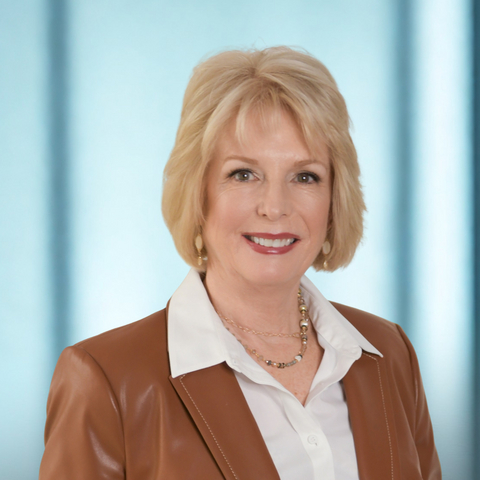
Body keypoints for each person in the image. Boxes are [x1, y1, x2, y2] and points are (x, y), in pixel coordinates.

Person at [39, 46, 441, 480]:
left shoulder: (389, 353)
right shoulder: (108, 380)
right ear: (198, 193)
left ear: (333, 201)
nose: (275, 206)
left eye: (305, 176)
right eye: (243, 174)